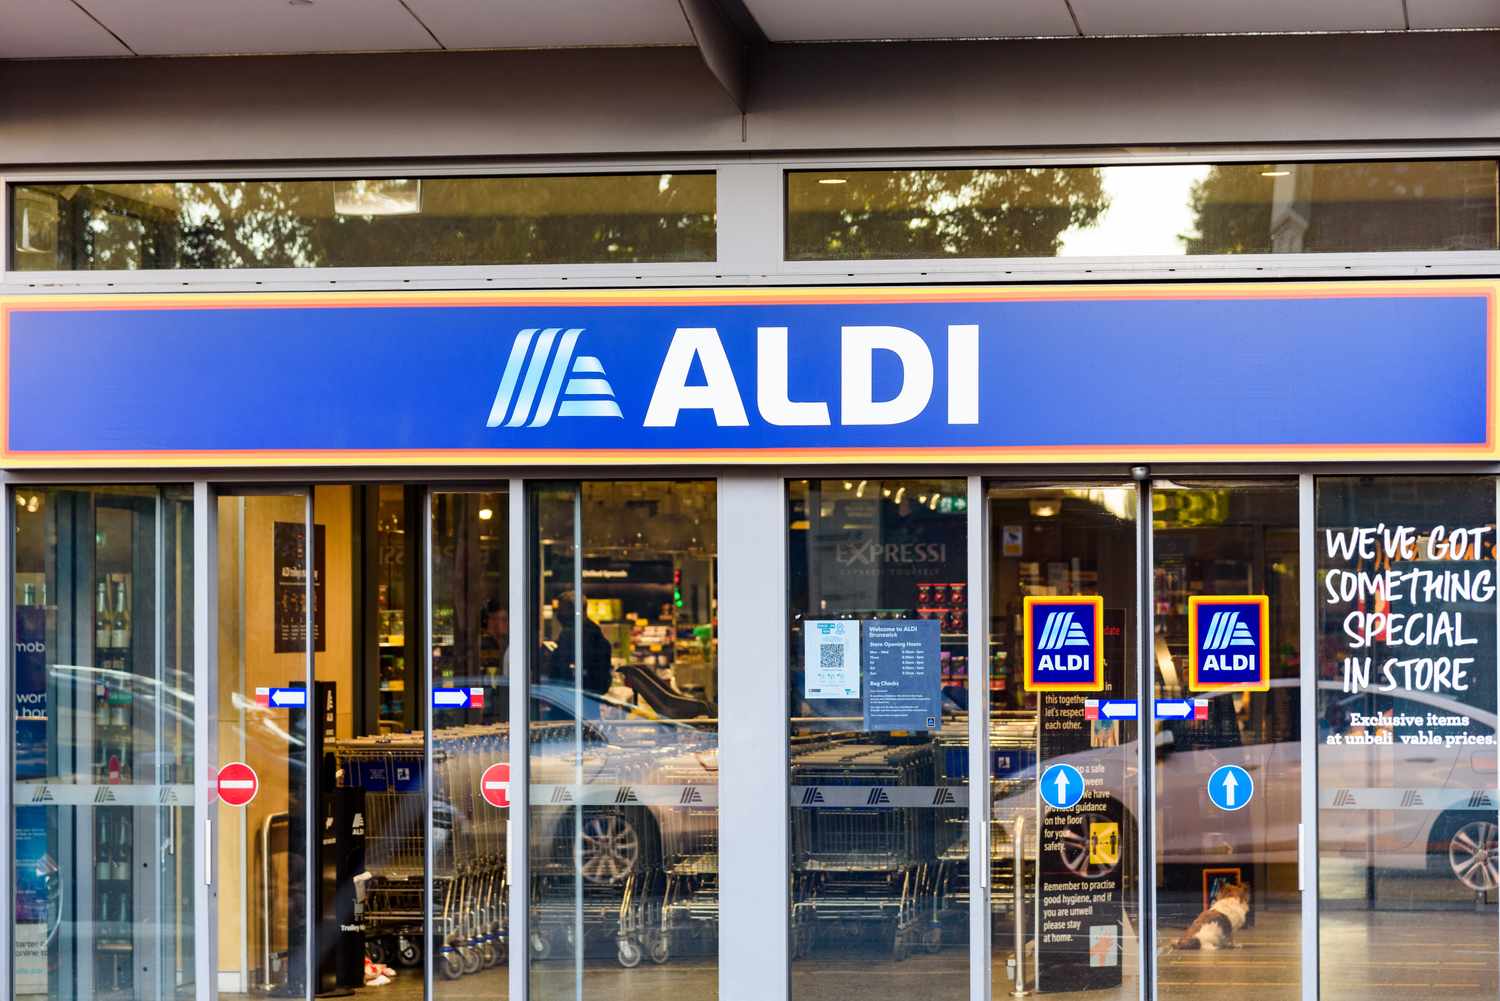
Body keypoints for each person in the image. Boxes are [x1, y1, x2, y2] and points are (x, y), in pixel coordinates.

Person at [545, 592, 614, 698]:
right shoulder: (594, 637)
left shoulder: (580, 638)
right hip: (579, 705)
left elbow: (560, 674)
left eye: (562, 609)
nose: (558, 614)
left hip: (572, 705)